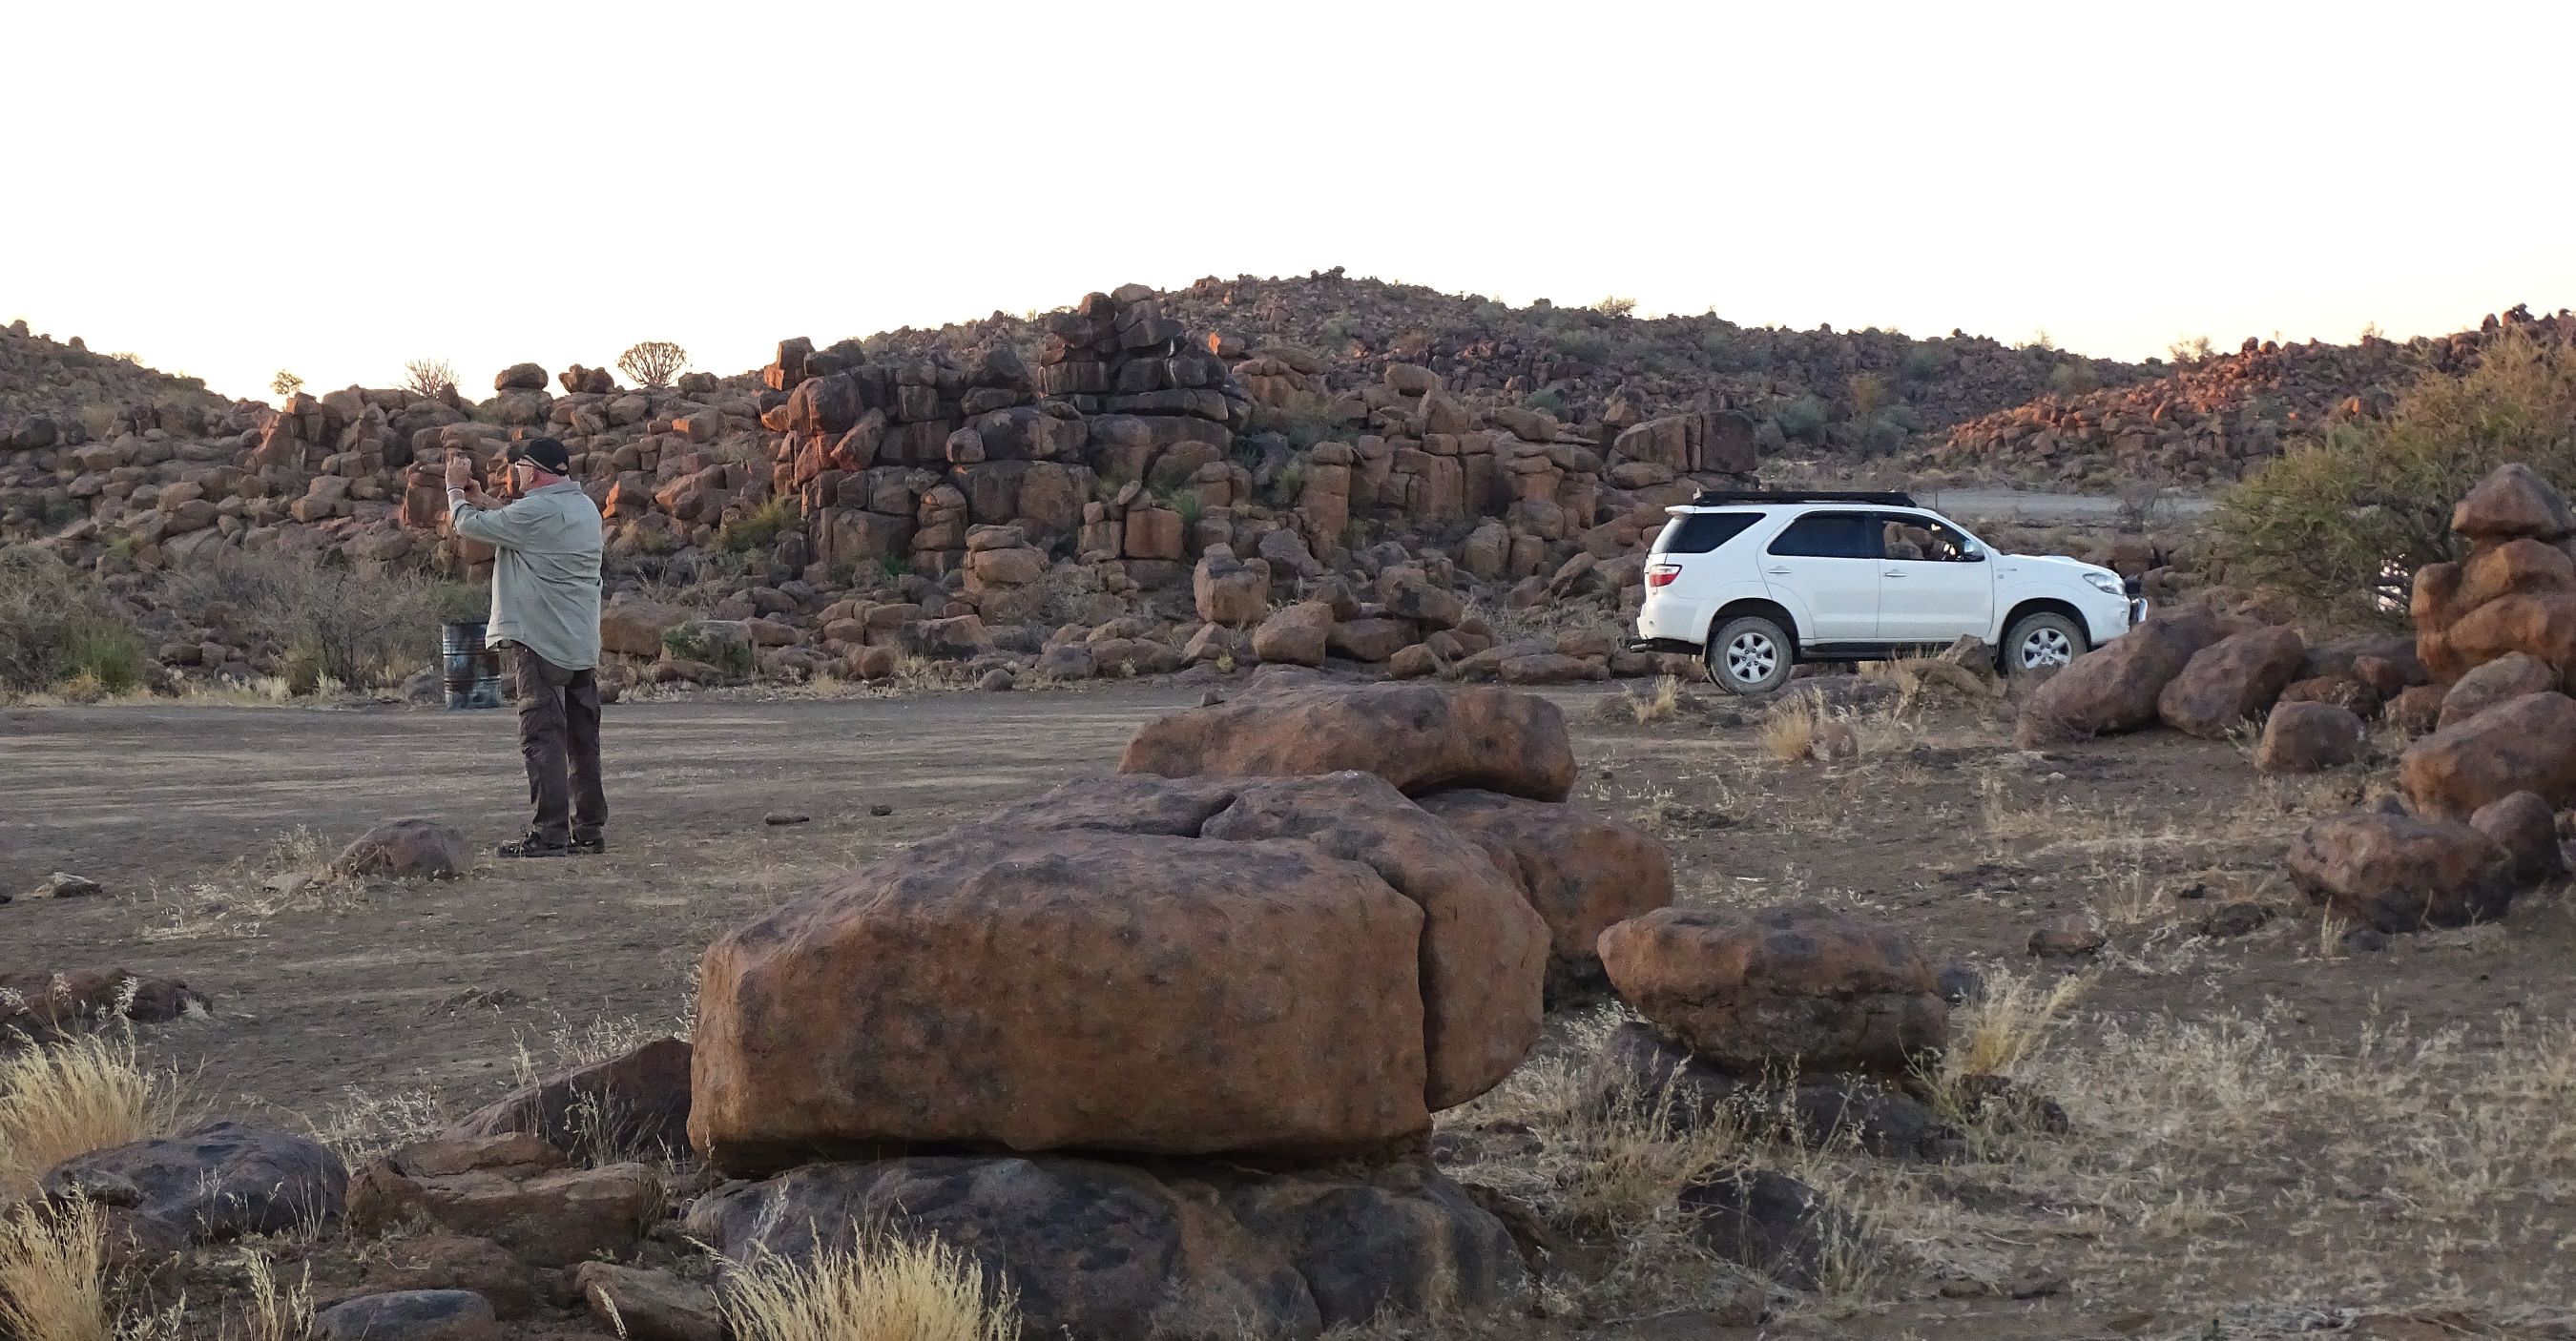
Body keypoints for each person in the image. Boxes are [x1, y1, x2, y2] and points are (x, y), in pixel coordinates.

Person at [444, 438, 607, 857]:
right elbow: (526, 526)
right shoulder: (584, 508)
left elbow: (468, 527)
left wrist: (456, 491)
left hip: (540, 642)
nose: (514, 476)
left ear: (532, 471)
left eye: (518, 469)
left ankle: (550, 832)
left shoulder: (536, 511)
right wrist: (490, 502)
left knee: (542, 737)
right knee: (582, 741)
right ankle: (588, 828)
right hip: (581, 643)